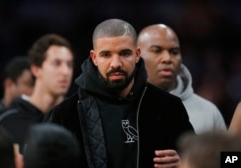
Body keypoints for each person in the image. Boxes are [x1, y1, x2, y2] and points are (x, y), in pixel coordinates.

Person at [46, 18, 194, 168]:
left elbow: (200, 161)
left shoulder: (169, 107)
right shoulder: (65, 114)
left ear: (137, 55)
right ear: (94, 58)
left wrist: (186, 164)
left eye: (124, 53)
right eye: (106, 55)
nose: (116, 63)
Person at [137, 23, 227, 134]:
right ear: (136, 56)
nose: (167, 58)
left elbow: (228, 151)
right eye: (157, 50)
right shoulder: (119, 108)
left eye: (174, 52)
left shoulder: (209, 112)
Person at [0, 33, 74, 153]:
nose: (65, 72)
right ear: (36, 69)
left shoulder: (77, 119)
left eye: (69, 65)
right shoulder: (5, 121)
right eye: (57, 63)